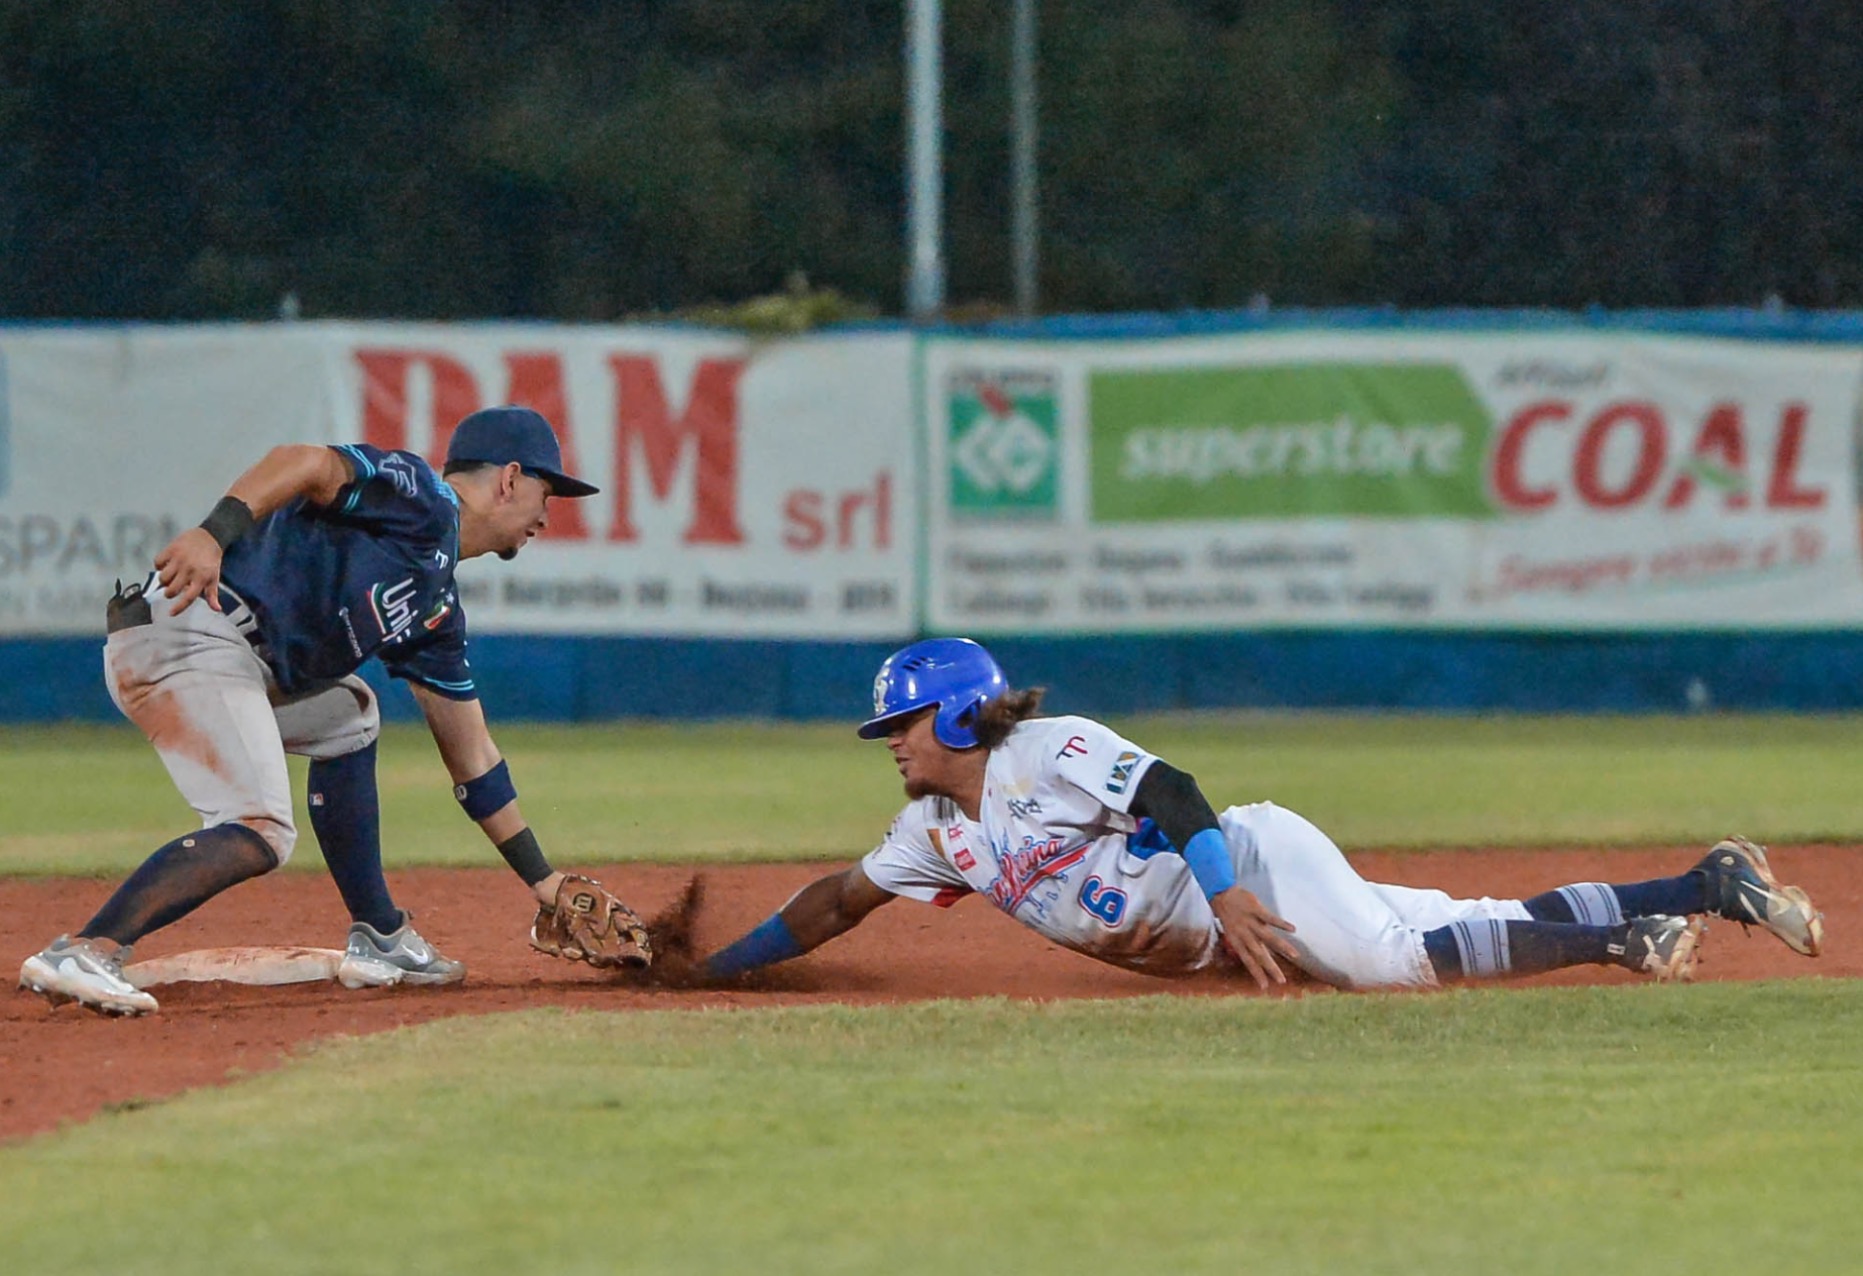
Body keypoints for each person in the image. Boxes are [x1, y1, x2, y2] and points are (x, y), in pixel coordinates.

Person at [698, 638, 1824, 991]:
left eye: (898, 725)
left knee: (1392, 963)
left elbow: (1175, 792)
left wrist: (1230, 896)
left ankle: (1622, 942)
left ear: (952, 718)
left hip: (1248, 864)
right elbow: (831, 908)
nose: (887, 744)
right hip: (1221, 910)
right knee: (1453, 914)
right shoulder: (931, 836)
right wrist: (714, 970)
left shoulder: (1047, 748)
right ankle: (1704, 884)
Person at [20, 405, 634, 1015]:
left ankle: (382, 937)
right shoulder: (421, 495)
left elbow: (473, 756)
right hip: (190, 627)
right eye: (545, 493)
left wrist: (543, 880)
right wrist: (213, 533)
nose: (546, 517)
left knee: (351, 715)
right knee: (260, 826)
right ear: (508, 479)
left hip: (231, 660)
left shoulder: (436, 607)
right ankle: (85, 951)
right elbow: (304, 462)